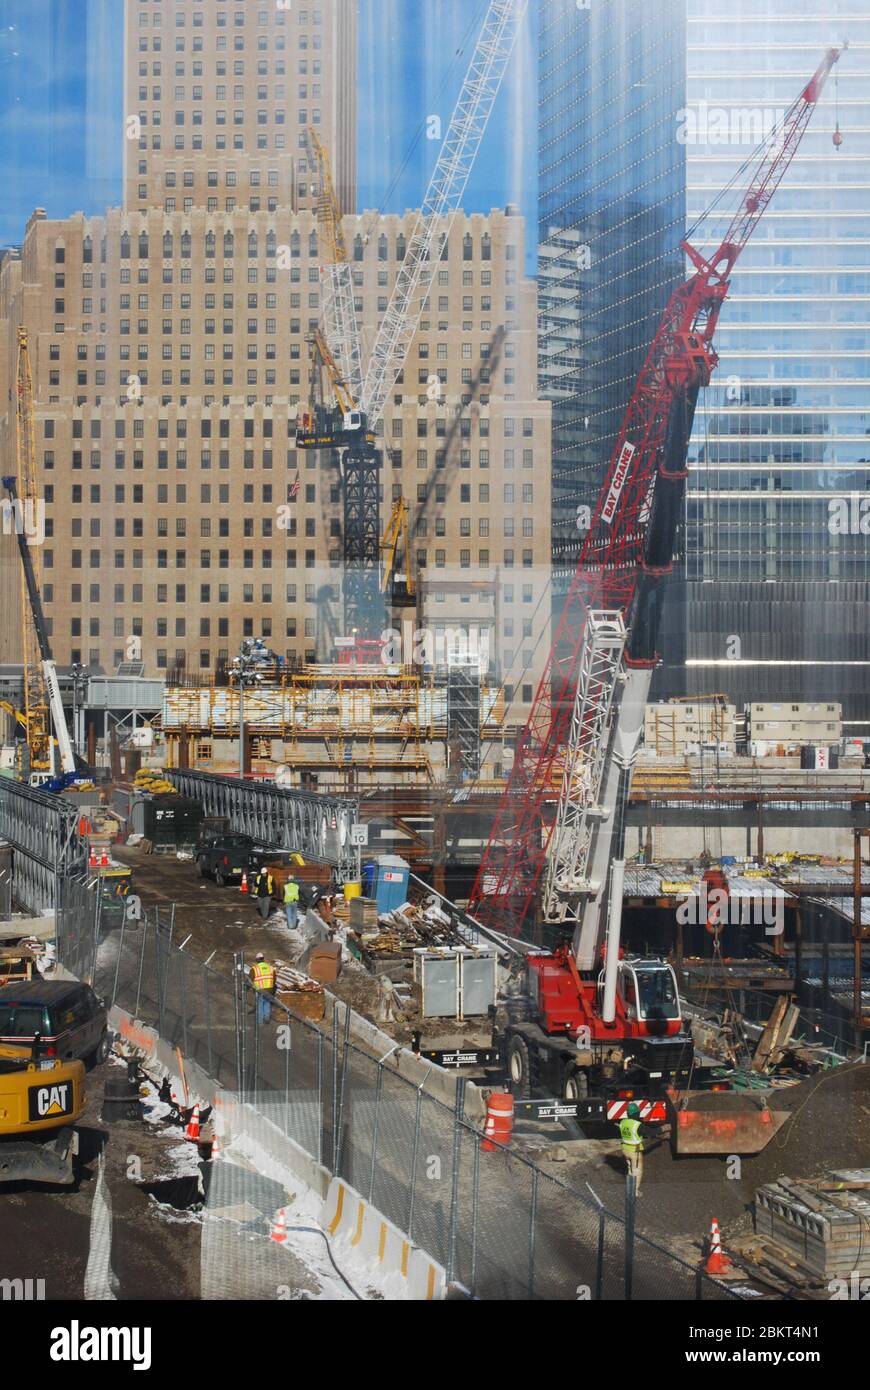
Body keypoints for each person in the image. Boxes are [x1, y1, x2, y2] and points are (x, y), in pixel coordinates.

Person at [618, 1102, 644, 1194]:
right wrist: (663, 1128)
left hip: (625, 1150)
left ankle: (630, 1188)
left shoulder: (623, 1122)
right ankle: (635, 1191)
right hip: (634, 1151)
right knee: (637, 1170)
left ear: (628, 1113)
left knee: (630, 1169)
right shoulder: (637, 1125)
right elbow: (651, 1132)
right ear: (637, 1113)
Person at [250, 952, 276, 1025]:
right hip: (269, 990)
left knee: (260, 1005)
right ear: (263, 959)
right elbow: (274, 979)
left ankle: (260, 1023)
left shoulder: (254, 969)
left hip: (260, 990)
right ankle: (267, 1018)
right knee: (267, 1003)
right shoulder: (271, 968)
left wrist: (248, 987)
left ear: (257, 960)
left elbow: (250, 980)